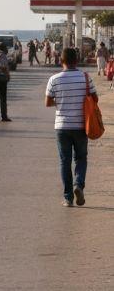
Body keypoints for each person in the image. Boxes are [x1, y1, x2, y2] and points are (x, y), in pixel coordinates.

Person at [45, 48, 96, 207]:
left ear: (62, 60)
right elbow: (95, 98)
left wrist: (61, 102)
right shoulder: (86, 78)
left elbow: (47, 102)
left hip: (62, 126)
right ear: (77, 59)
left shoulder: (54, 79)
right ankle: (78, 185)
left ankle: (68, 198)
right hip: (81, 125)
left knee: (65, 161)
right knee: (81, 157)